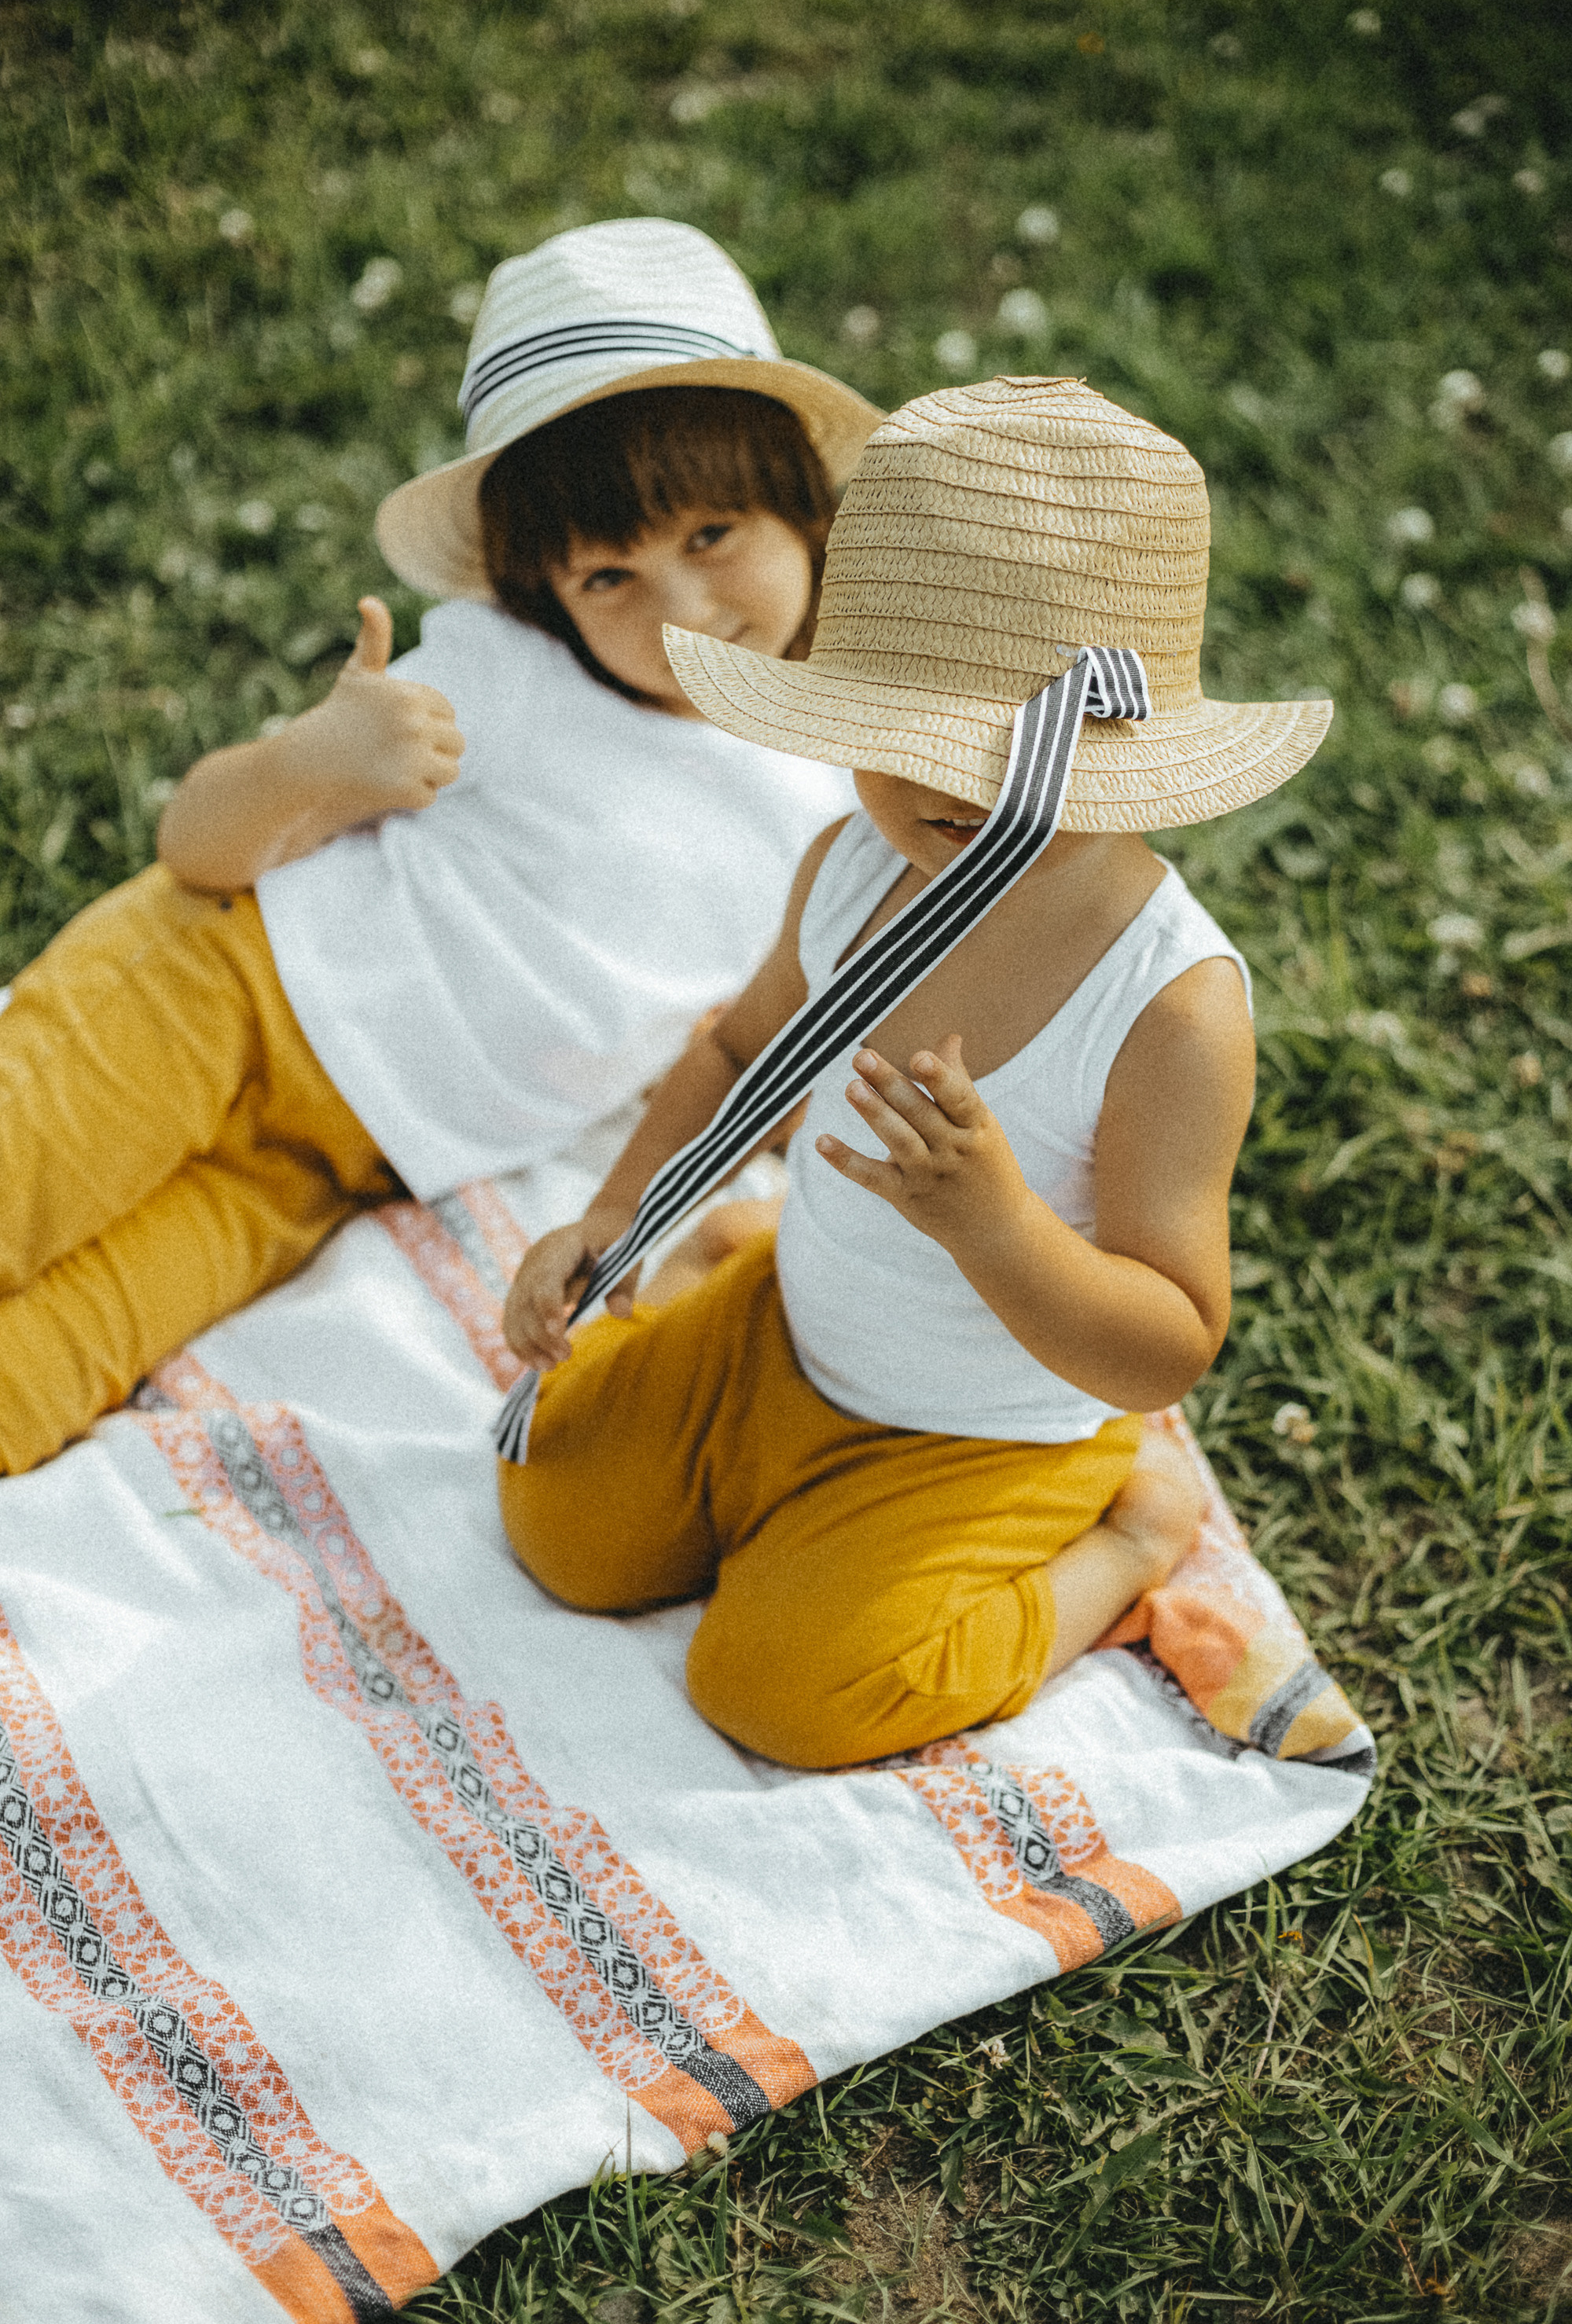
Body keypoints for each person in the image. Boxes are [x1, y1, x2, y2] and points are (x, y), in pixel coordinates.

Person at [498, 376, 1334, 1772]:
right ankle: (732, 1255)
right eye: (905, 734)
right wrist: (614, 1216)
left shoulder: (1169, 1006)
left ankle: (1122, 1544)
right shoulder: (854, 870)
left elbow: (1170, 1338)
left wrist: (991, 1219)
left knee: (778, 1691)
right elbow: (733, 1048)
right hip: (794, 1332)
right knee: (555, 1514)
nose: (949, 789)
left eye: (1003, 746)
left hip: (982, 1430)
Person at [0, 218, 880, 1473]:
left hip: (341, 1164)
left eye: (711, 538)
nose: (682, 611)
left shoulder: (844, 795)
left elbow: (752, 1033)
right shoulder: (511, 678)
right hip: (227, 993)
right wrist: (313, 761)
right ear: (546, 597)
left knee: (58, 1364)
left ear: (803, 509)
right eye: (607, 579)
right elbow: (194, 844)